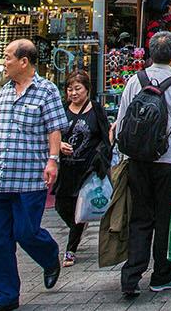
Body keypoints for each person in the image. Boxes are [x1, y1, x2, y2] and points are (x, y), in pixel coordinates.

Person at [0, 40, 69, 311]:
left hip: (30, 178)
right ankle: (5, 296)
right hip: (1, 179)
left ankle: (49, 255)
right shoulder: (4, 92)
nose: (4, 62)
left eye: (7, 57)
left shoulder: (46, 90)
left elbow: (54, 129)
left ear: (24, 61)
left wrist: (53, 161)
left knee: (26, 231)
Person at [113, 31, 171, 298]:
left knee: (140, 217)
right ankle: (162, 275)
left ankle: (131, 276)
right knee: (167, 217)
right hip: (169, 161)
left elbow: (122, 121)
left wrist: (125, 155)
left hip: (138, 160)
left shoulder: (134, 81)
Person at [52, 70, 110, 267]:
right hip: (67, 168)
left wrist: (102, 159)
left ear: (87, 89)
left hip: (88, 167)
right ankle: (77, 227)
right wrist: (59, 145)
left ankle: (70, 249)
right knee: (61, 204)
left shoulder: (95, 109)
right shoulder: (63, 109)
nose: (73, 93)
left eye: (77, 89)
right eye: (70, 89)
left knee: (78, 207)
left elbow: (105, 136)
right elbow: (52, 133)